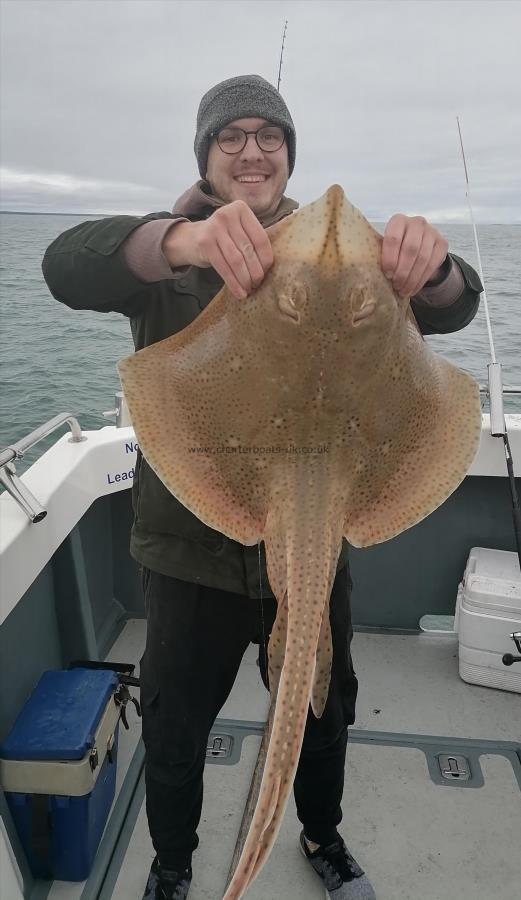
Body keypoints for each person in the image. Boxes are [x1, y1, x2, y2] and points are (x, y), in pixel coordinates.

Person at [42, 74, 483, 900]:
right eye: (231, 137)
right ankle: (174, 865)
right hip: (188, 556)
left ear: (288, 153)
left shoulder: (347, 257)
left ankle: (322, 835)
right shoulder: (164, 260)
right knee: (174, 731)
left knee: (320, 711)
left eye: (269, 136)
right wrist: (180, 242)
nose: (252, 150)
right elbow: (65, 265)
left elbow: (454, 309)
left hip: (323, 528)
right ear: (206, 156)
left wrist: (433, 270)